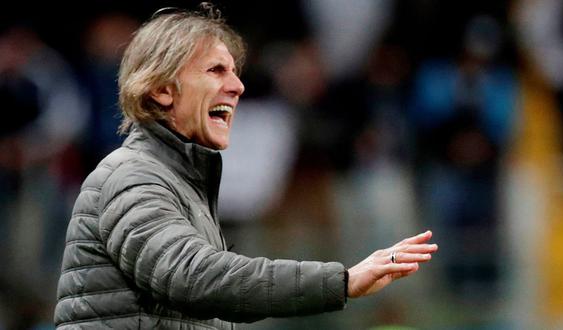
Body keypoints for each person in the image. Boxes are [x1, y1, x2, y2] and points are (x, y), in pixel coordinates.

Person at [54, 4, 437, 329]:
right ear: (162, 90)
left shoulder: (178, 182)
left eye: (235, 72)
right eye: (216, 71)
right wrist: (342, 281)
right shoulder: (133, 177)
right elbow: (197, 276)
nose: (237, 86)